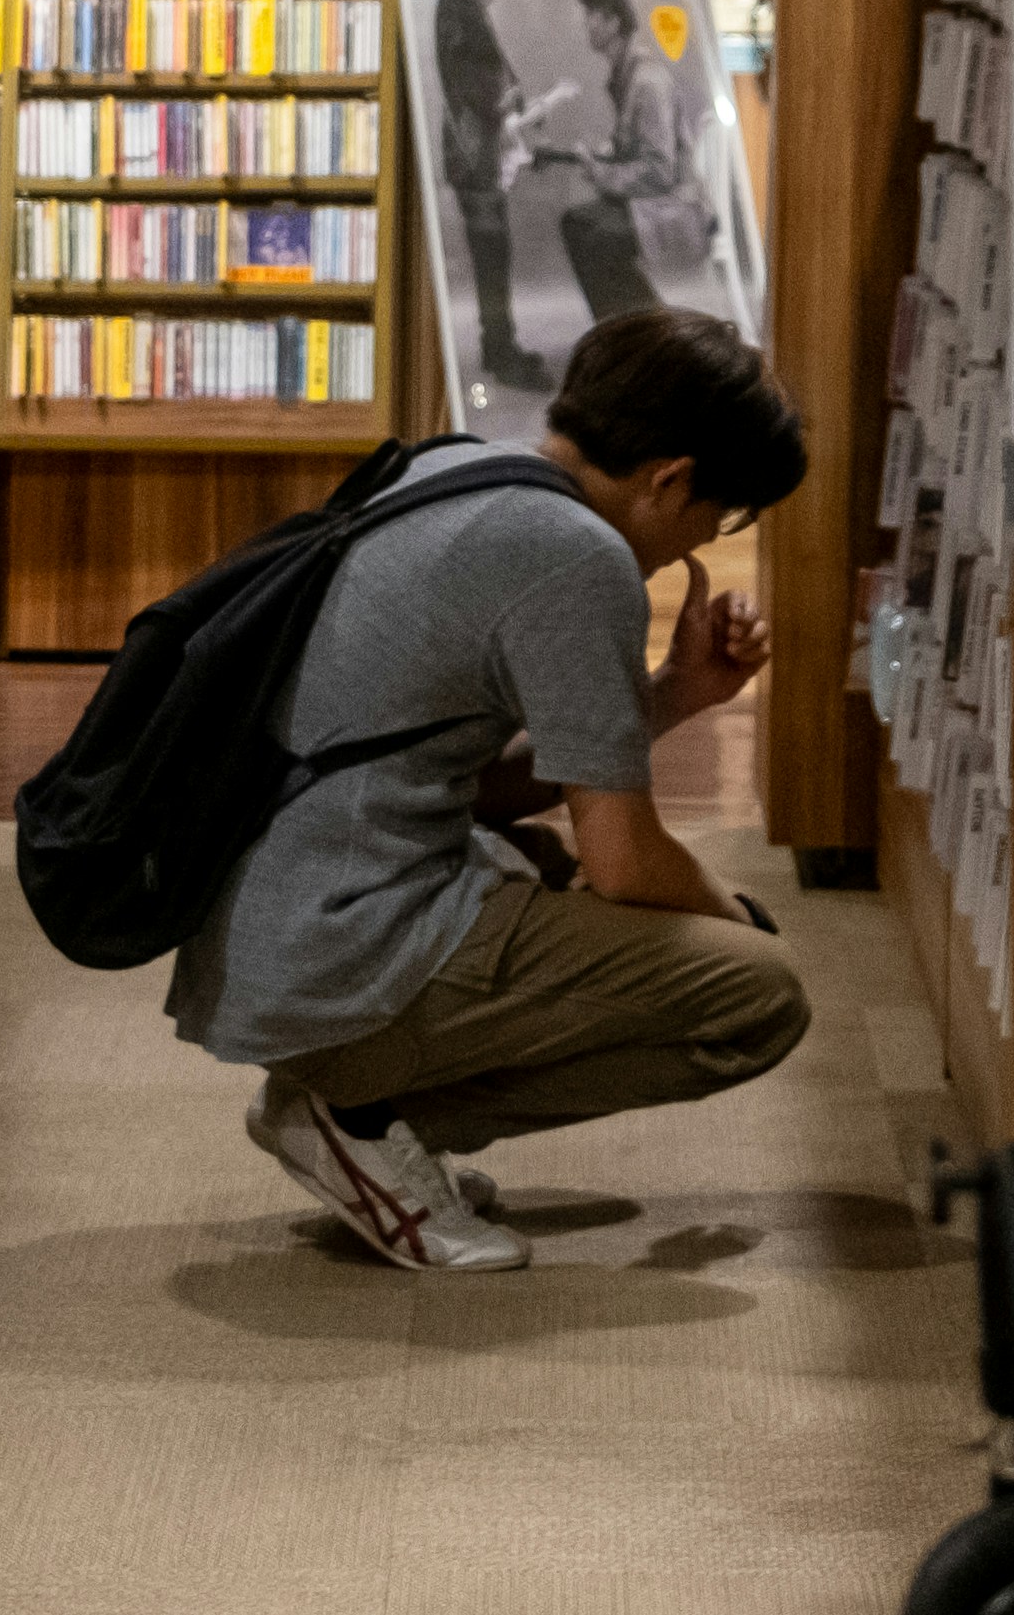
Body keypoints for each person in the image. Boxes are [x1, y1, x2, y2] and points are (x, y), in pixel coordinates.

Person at [172, 308, 814, 1271]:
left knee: (551, 868)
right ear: (668, 477)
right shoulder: (577, 556)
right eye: (718, 517)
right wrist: (742, 918)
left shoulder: (457, 466)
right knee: (755, 992)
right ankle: (360, 1116)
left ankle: (355, 1110)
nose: (706, 539)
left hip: (268, 928)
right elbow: (627, 858)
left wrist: (677, 695)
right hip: (329, 951)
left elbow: (470, 785)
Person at [537, 0, 708, 326]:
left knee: (592, 234)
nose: (586, 25)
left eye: (593, 17)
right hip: (648, 203)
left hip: (671, 208)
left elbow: (660, 173)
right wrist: (588, 156)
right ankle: (632, 327)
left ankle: (641, 329)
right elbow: (634, 151)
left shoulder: (646, 82)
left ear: (614, 22)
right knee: (579, 224)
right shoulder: (626, 75)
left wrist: (600, 171)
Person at [434, 0, 551, 393]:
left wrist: (514, 96)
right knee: (491, 253)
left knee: (494, 252)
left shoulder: (459, 5)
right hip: (473, 153)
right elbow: (463, 80)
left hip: (478, 152)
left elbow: (482, 70)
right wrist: (506, 102)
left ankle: (497, 344)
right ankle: (501, 352)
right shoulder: (457, 6)